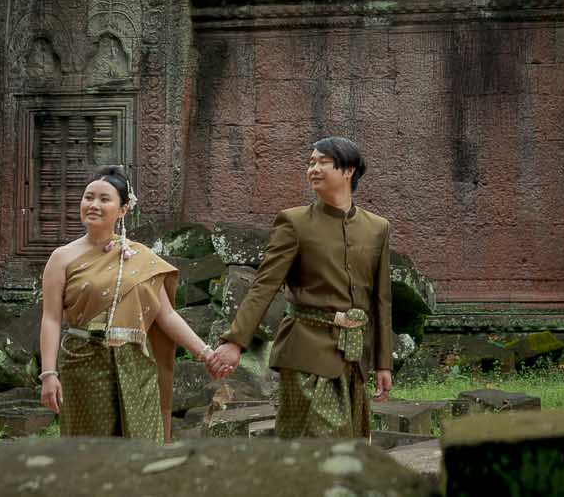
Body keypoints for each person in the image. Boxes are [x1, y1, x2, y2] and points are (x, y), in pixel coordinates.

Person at [206, 136, 393, 438]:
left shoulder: (377, 228)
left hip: (355, 358)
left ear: (348, 171)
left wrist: (384, 363)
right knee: (317, 443)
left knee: (352, 443)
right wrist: (235, 342)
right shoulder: (294, 223)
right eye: (310, 163)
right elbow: (264, 286)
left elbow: (381, 300)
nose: (313, 169)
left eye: (323, 162)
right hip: (306, 351)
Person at [37, 165, 217, 439]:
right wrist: (49, 374)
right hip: (84, 362)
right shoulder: (61, 258)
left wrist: (205, 353)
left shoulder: (138, 258)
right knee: (91, 450)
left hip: (135, 366)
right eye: (88, 197)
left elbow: (166, 316)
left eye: (104, 199)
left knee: (143, 445)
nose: (94, 205)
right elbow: (51, 318)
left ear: (122, 210)